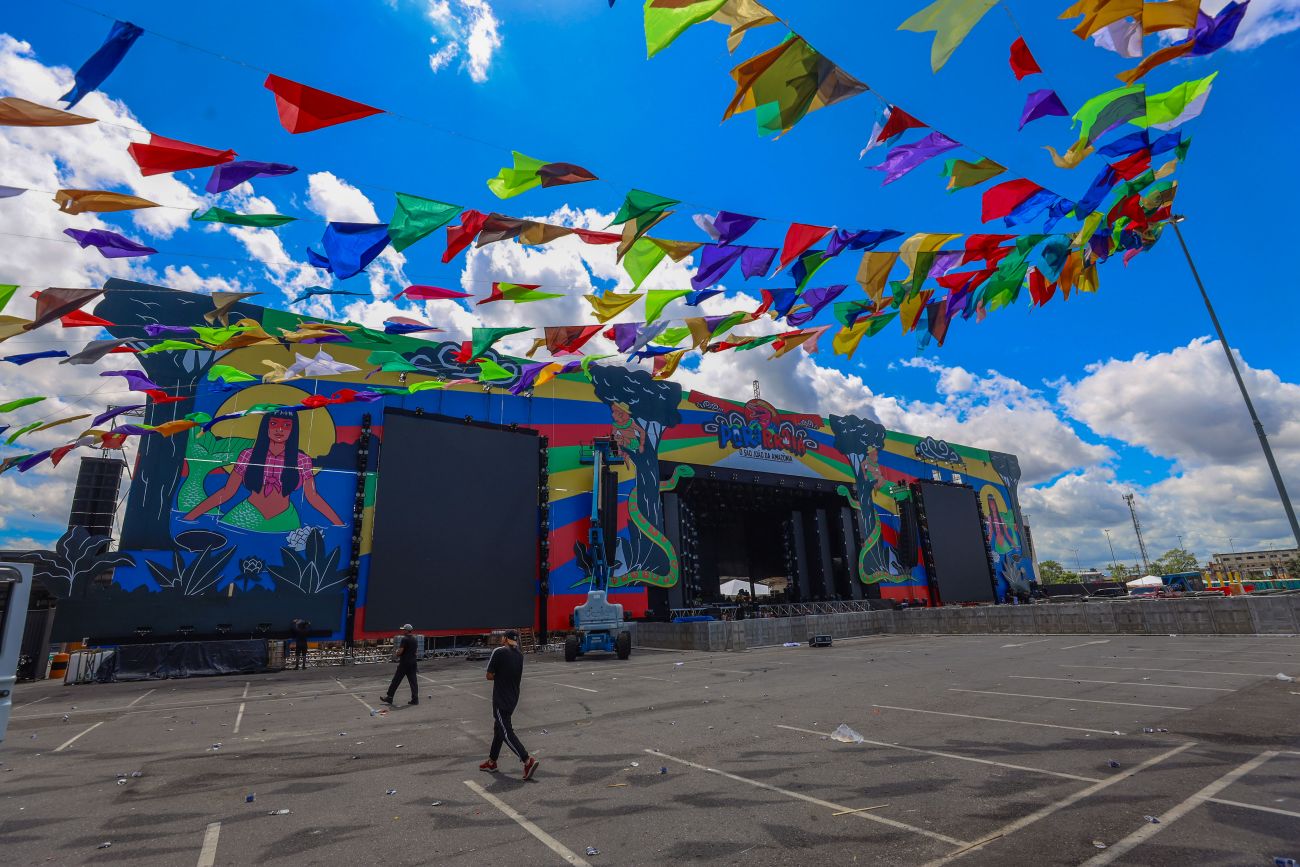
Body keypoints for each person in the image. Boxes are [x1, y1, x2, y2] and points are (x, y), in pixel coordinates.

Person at [182, 410, 344, 532]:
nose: (279, 429)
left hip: (285, 519)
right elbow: (227, 491)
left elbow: (313, 497)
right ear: (265, 427)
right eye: (274, 424)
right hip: (247, 515)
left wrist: (339, 524)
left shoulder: (302, 460)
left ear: (293, 430)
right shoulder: (248, 455)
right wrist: (190, 517)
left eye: (286, 425)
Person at [479, 630, 538, 780]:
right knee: (498, 729)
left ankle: (527, 760)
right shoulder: (519, 655)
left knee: (505, 731)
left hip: (501, 699)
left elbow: (489, 675)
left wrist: (499, 675)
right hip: (513, 697)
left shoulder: (499, 652)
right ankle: (492, 762)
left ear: (505, 638)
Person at [379, 624, 419, 706]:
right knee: (413, 681)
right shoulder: (415, 639)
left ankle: (390, 697)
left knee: (396, 680)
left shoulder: (404, 639)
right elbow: (416, 652)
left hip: (404, 663)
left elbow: (400, 651)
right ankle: (415, 699)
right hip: (413, 662)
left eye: (404, 629)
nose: (403, 631)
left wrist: (397, 653)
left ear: (407, 630)